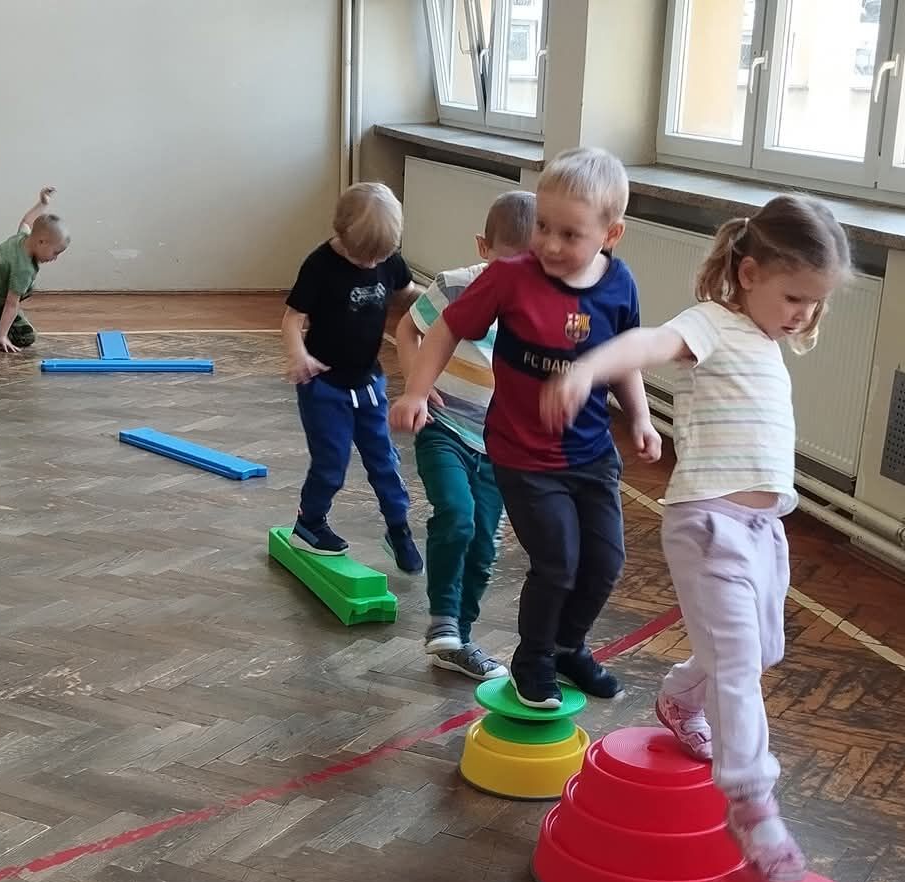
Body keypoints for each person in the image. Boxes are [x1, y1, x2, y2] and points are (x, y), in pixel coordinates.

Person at [540, 194, 851, 882]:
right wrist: (586, 369)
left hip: (763, 531)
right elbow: (646, 343)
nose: (803, 315)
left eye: (814, 303)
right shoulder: (713, 323)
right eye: (794, 297)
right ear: (749, 273)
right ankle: (753, 802)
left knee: (760, 651)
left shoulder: (766, 344)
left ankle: (681, 697)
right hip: (708, 525)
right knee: (738, 661)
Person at [392, 147, 661, 710]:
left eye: (570, 234)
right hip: (522, 455)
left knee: (605, 562)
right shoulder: (511, 277)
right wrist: (416, 390)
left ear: (611, 234)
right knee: (557, 562)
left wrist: (640, 416)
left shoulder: (620, 285)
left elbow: (623, 356)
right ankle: (531, 661)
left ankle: (568, 648)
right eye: (543, 227)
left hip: (591, 455)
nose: (550, 245)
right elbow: (445, 328)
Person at [391, 189, 536, 680]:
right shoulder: (455, 286)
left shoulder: (542, 304)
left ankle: (459, 641)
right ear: (483, 247)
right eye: (506, 264)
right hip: (444, 427)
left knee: (484, 545)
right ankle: (443, 622)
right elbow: (408, 329)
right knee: (456, 515)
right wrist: (416, 386)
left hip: (497, 445)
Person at [283, 182, 423, 573]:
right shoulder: (319, 266)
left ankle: (398, 528)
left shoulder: (387, 259)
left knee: (385, 460)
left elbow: (407, 292)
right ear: (341, 233)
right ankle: (309, 523)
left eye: (381, 256)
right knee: (332, 463)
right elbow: (292, 318)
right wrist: (299, 354)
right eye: (364, 256)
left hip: (369, 383)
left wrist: (441, 301)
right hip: (324, 386)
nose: (372, 263)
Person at [0, 187, 70, 353]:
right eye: (55, 252)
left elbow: (27, 221)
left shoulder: (23, 238)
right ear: (42, 242)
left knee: (22, 293)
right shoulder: (23, 269)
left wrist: (42, 204)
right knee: (26, 336)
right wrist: (2, 336)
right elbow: (11, 304)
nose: (55, 258)